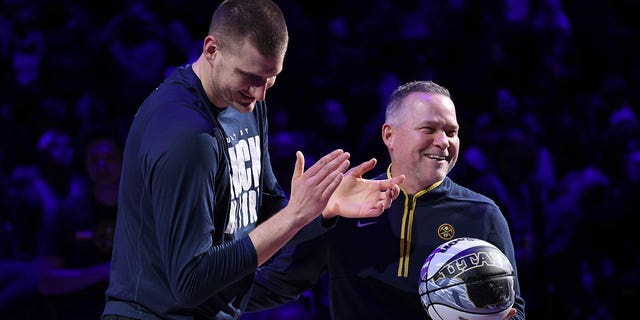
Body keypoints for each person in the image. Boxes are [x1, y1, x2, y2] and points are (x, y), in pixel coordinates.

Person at [101, 1, 404, 319]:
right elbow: (190, 283)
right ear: (211, 49)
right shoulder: (186, 135)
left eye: (270, 78)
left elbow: (265, 214)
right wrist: (295, 215)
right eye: (249, 76)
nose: (260, 94)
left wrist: (321, 207)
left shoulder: (245, 102)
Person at [249, 80, 526, 319]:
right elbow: (279, 283)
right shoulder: (346, 205)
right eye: (429, 129)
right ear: (389, 135)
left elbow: (511, 309)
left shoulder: (483, 214)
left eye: (451, 132)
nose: (444, 141)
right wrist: (319, 215)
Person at [36, 126, 123, 319]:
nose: (102, 165)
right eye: (94, 160)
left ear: (124, 160)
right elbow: (45, 280)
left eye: (110, 158)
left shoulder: (142, 209)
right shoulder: (69, 214)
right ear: (84, 164)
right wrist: (101, 272)